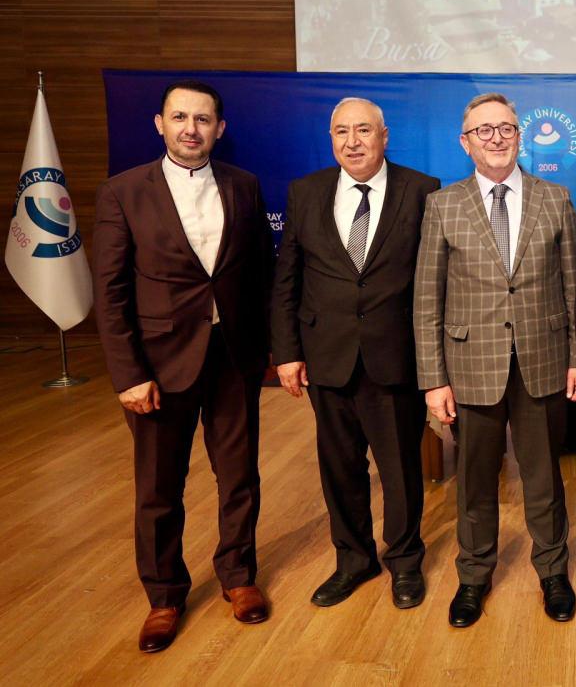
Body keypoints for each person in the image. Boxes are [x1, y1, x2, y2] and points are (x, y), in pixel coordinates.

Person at [93, 80, 273, 652]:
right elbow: (110, 292)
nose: (190, 129)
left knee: (239, 476)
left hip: (233, 358)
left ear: (220, 128)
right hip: (157, 365)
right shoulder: (123, 192)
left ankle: (238, 576)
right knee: (158, 487)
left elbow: (260, 275)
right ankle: (165, 595)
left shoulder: (244, 185)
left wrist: (269, 349)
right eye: (179, 117)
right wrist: (128, 375)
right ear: (160, 124)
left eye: (202, 119)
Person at [413, 92, 576, 627]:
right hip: (470, 368)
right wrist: (433, 379)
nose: (496, 138)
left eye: (505, 128)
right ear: (465, 143)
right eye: (483, 130)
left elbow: (575, 289)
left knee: (544, 478)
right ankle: (473, 576)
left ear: (519, 136)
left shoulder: (555, 198)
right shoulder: (443, 205)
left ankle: (552, 571)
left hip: (543, 361)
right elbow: (427, 298)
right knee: (475, 481)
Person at [271, 97, 440, 610]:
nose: (353, 141)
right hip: (327, 356)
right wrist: (286, 352)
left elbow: (435, 281)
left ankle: (405, 561)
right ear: (331, 139)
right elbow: (287, 279)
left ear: (384, 136)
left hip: (395, 356)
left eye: (363, 130)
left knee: (401, 470)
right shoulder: (305, 192)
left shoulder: (422, 190)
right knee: (339, 468)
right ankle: (353, 560)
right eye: (342, 131)